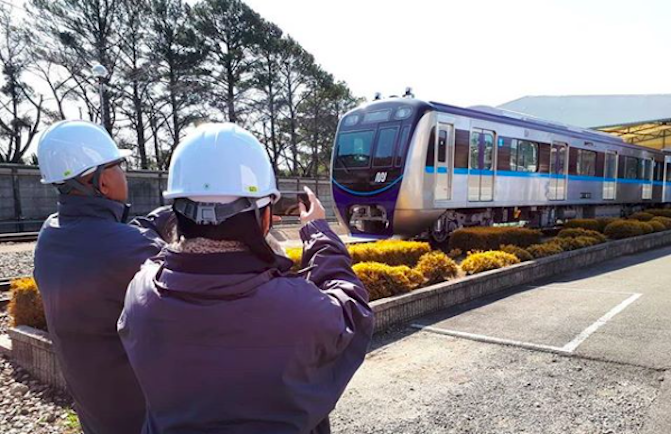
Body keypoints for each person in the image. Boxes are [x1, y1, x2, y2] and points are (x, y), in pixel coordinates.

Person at [119, 123, 375, 434]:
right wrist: (318, 232)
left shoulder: (141, 293)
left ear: (177, 209)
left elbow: (169, 255)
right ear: (263, 215)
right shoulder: (297, 308)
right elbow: (353, 308)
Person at [33, 120, 171, 434]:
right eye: (118, 166)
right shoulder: (132, 249)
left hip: (96, 413)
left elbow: (108, 238)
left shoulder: (50, 234)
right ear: (103, 181)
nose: (125, 173)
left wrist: (158, 218)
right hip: (142, 418)